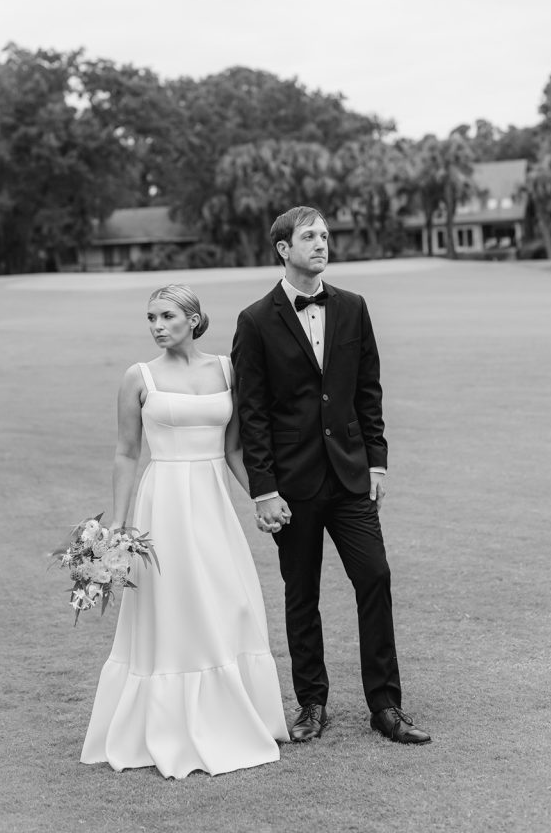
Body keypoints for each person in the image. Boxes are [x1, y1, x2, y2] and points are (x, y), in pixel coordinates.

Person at [231, 206, 431, 745]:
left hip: (350, 478)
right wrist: (264, 489)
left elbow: (368, 390)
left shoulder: (353, 307)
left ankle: (386, 706)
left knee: (376, 577)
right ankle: (311, 704)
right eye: (309, 236)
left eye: (324, 235)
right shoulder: (254, 321)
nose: (321, 243)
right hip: (292, 486)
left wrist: (378, 460)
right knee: (302, 594)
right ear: (282, 248)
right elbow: (251, 414)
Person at [81, 284, 289, 778]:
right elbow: (127, 453)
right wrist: (117, 522)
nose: (156, 325)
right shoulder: (139, 377)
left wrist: (263, 499)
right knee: (171, 606)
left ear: (194, 320)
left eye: (168, 315)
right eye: (150, 316)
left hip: (212, 502)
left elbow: (235, 450)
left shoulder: (226, 369)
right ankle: (167, 722)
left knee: (227, 598)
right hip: (164, 503)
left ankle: (238, 713)